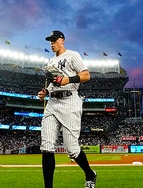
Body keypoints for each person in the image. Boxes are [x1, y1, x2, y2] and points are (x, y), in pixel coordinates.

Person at [37, 30, 97, 188]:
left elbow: (86, 75)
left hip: (70, 101)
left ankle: (90, 174)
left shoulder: (72, 55)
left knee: (72, 149)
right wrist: (46, 92)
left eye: (54, 40)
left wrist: (67, 79)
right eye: (50, 41)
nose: (51, 43)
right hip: (52, 103)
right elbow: (52, 83)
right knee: (46, 146)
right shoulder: (50, 62)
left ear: (62, 40)